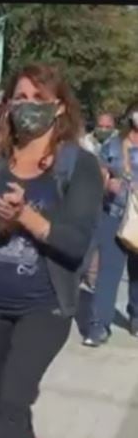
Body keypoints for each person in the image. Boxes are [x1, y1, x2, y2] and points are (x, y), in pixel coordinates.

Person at [0, 63, 102, 438]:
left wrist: (27, 218)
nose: (28, 106)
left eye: (39, 99)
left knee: (12, 401)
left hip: (46, 306)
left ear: (58, 108)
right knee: (0, 389)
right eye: (20, 97)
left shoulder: (80, 165)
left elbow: (75, 245)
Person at [82, 103, 138, 346]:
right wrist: (107, 185)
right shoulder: (114, 144)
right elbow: (98, 173)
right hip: (114, 215)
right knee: (108, 272)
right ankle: (98, 326)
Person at [78, 112, 115, 291]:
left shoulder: (117, 144)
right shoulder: (85, 143)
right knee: (86, 240)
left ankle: (92, 278)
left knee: (101, 244)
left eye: (108, 127)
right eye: (101, 126)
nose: (104, 130)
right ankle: (78, 274)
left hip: (109, 203)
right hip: (86, 197)